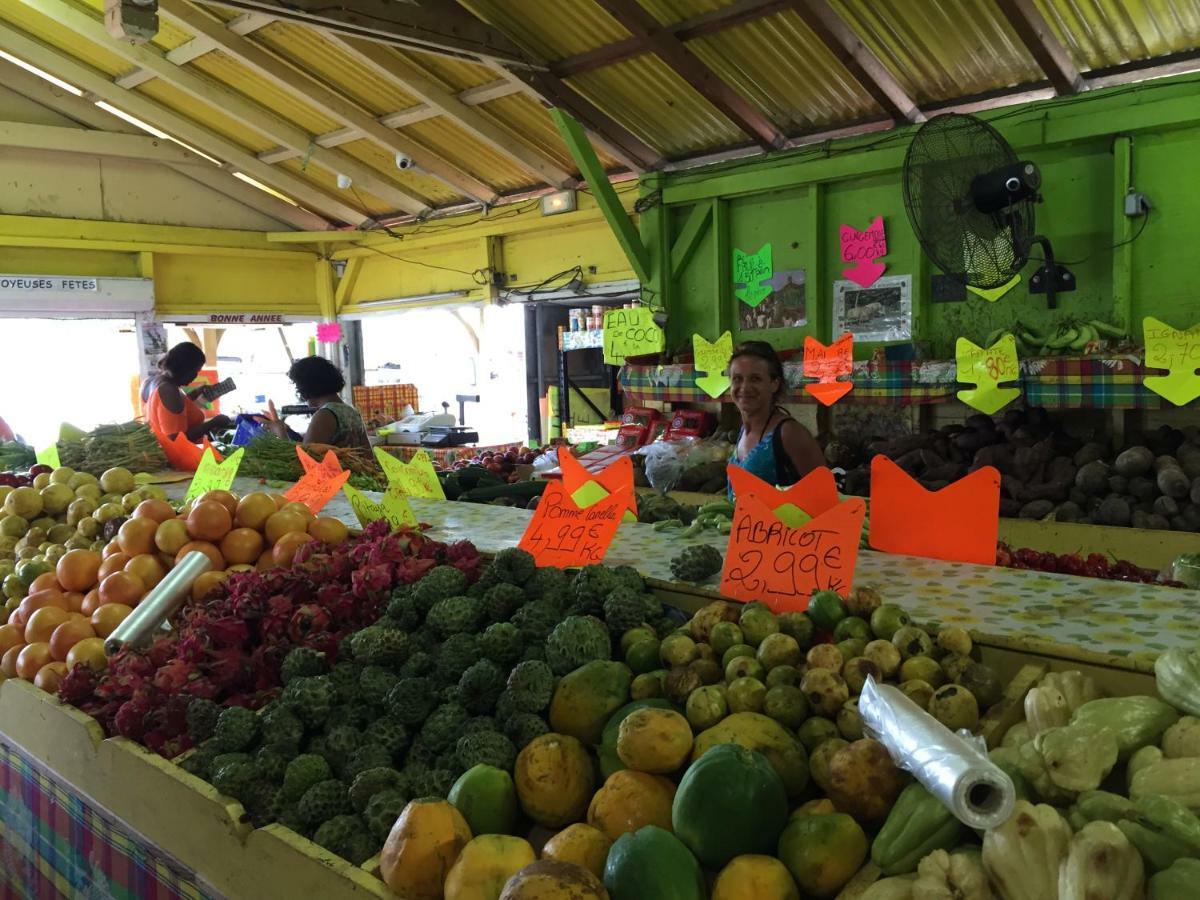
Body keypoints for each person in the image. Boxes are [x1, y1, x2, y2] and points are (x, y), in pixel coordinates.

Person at [727, 341, 825, 496]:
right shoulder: (743, 431)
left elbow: (825, 494)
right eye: (737, 379)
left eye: (755, 379)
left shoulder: (789, 433)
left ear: (774, 384)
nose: (744, 388)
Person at [261, 356, 369, 449]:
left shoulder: (325, 414)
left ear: (304, 388)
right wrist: (287, 431)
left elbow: (302, 461)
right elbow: (368, 456)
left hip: (333, 473)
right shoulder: (351, 411)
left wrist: (280, 433)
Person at [145, 342, 231, 442]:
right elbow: (175, 439)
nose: (195, 376)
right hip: (179, 456)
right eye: (195, 371)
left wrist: (194, 394)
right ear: (184, 368)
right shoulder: (168, 390)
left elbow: (167, 410)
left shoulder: (149, 382)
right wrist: (213, 423)